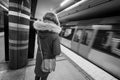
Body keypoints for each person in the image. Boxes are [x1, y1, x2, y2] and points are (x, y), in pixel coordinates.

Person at [33, 11, 61, 80]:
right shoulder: (55, 35)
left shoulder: (39, 32)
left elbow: (39, 45)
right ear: (55, 21)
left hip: (39, 58)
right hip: (48, 60)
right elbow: (57, 52)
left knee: (37, 75)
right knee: (44, 76)